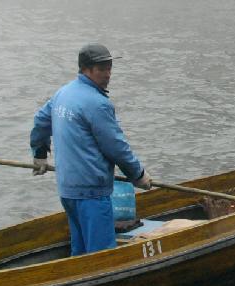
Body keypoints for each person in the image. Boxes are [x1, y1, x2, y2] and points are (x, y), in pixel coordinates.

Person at [30, 43, 151, 256]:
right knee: (101, 256)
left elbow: (41, 121)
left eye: (109, 67)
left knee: (80, 251)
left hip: (67, 190)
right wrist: (138, 175)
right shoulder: (97, 103)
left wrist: (39, 154)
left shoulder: (63, 94)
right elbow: (116, 146)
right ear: (86, 69)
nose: (108, 74)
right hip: (91, 193)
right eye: (102, 69)